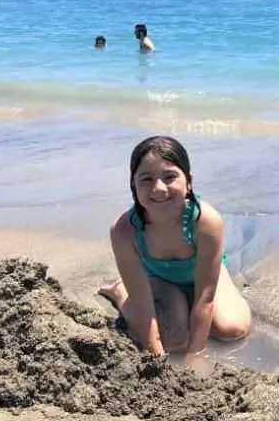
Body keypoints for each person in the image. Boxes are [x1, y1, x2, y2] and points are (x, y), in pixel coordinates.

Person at [98, 135, 251, 366]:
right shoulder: (124, 230)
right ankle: (121, 291)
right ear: (133, 185)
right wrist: (157, 360)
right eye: (146, 179)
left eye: (169, 177)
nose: (158, 188)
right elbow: (142, 304)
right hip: (159, 279)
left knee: (232, 329)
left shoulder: (205, 221)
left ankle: (186, 305)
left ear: (188, 181)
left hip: (207, 281)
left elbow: (205, 298)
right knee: (174, 341)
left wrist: (195, 357)